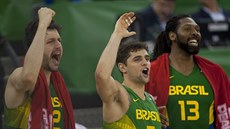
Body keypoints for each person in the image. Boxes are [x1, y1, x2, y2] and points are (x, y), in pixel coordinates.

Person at [146, 14, 230, 129]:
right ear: (172, 36)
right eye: (187, 29)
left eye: (197, 29)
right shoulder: (151, 71)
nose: (195, 32)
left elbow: (225, 115)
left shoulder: (215, 72)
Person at [4, 7, 76, 129]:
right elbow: (29, 77)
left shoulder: (58, 85)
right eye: (51, 41)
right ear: (34, 46)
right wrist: (42, 24)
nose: (58, 46)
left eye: (59, 40)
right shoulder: (18, 76)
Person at [95, 12, 162, 128]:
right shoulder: (120, 94)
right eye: (137, 59)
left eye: (147, 58)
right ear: (122, 67)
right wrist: (117, 35)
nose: (145, 62)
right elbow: (102, 76)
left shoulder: (150, 100)